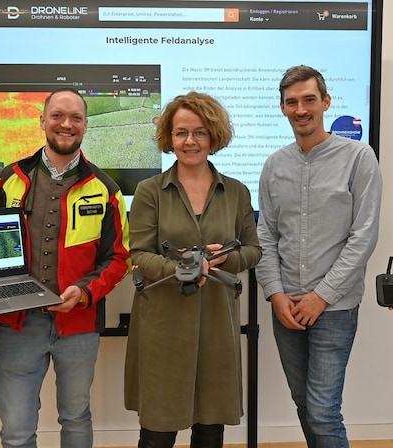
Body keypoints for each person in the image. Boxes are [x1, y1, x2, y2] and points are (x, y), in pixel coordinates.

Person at [0, 87, 130, 448]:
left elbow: (119, 258)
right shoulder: (7, 180)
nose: (66, 124)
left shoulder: (105, 189)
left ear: (85, 125)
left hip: (79, 325)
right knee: (16, 430)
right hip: (19, 325)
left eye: (75, 118)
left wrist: (83, 293)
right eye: (58, 116)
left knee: (76, 417)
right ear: (42, 121)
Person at [123, 91, 262, 448]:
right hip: (164, 324)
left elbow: (253, 250)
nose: (190, 141)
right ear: (169, 138)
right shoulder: (149, 191)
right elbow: (138, 252)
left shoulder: (236, 192)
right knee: (159, 428)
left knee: (210, 427)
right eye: (181, 132)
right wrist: (180, 266)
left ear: (213, 136)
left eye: (199, 132)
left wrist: (223, 261)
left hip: (217, 322)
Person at [255, 65, 382, 448]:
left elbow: (364, 236)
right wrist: (276, 294)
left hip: (335, 307)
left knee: (324, 410)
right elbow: (266, 235)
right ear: (282, 109)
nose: (301, 109)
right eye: (292, 102)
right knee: (304, 405)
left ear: (325, 102)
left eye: (309, 99)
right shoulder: (274, 165)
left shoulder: (360, 157)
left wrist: (321, 296)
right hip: (287, 305)